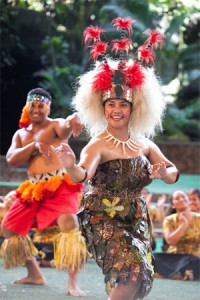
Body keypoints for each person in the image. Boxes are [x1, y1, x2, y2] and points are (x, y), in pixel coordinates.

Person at [53, 17, 179, 300]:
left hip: (136, 216)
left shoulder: (144, 143)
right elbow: (82, 175)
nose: (117, 109)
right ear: (103, 108)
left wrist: (164, 173)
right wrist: (70, 165)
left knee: (141, 278)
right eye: (111, 104)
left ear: (133, 109)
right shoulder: (98, 144)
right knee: (130, 271)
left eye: (123, 104)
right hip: (101, 215)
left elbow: (172, 172)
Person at [0, 88, 87, 297]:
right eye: (33, 105)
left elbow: (66, 126)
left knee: (69, 223)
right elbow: (12, 159)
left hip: (60, 185)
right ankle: (35, 274)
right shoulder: (21, 134)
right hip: (33, 189)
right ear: (27, 106)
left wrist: (74, 117)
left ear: (47, 107)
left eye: (41, 105)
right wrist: (34, 147)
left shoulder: (55, 125)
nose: (37, 109)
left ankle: (72, 283)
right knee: (9, 228)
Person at [153, 190, 200, 280]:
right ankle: (183, 272)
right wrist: (183, 225)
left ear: (189, 200)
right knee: (154, 257)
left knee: (193, 260)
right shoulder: (169, 220)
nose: (181, 199)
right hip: (174, 257)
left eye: (183, 197)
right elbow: (171, 241)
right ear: (173, 205)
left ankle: (176, 272)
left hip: (194, 256)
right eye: (177, 198)